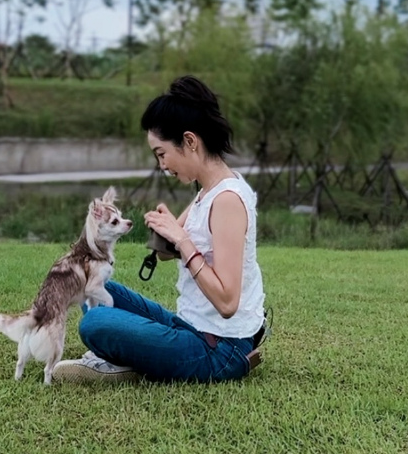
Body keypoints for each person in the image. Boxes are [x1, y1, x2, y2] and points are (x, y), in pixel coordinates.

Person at [52, 75, 268, 384]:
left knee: (96, 323)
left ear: (190, 141)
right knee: (94, 286)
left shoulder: (228, 200)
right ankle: (133, 357)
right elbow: (170, 255)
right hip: (191, 328)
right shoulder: (207, 192)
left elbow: (227, 301)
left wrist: (181, 238)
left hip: (220, 349)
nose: (163, 165)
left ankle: (125, 360)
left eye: (162, 153)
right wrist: (168, 232)